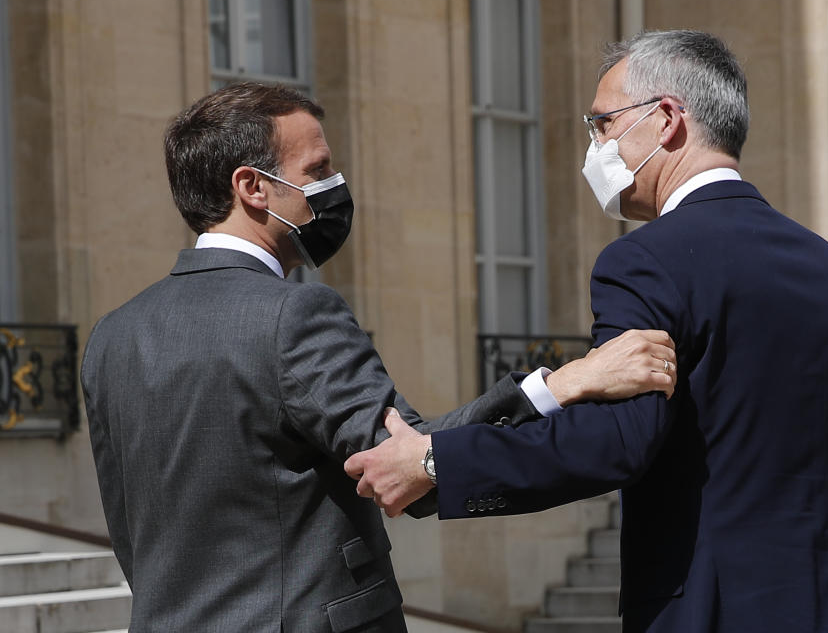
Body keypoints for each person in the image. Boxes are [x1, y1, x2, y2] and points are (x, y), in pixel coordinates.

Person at [79, 82, 677, 633]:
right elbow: (407, 463)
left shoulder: (110, 336)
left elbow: (129, 533)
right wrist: (566, 383)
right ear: (252, 187)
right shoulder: (295, 315)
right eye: (317, 171)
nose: (334, 186)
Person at [345, 30, 828, 632]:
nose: (595, 147)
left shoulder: (646, 259)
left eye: (603, 124)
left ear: (665, 119)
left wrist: (435, 462)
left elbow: (612, 443)